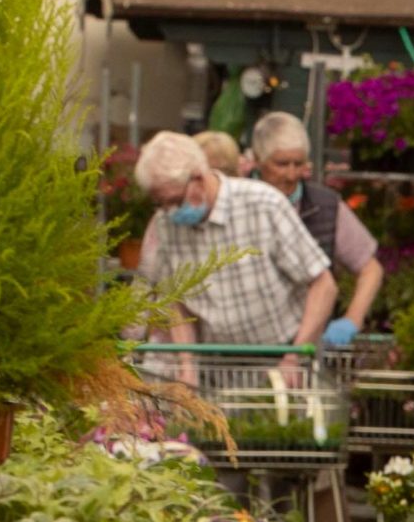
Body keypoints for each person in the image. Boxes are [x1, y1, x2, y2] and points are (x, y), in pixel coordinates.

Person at [135, 130, 336, 360]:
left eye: (174, 201)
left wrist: (294, 356)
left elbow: (323, 285)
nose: (169, 211)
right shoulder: (166, 224)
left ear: (198, 178)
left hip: (282, 353)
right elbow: (177, 302)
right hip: (218, 364)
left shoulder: (263, 204)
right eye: (160, 204)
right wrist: (187, 365)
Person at [249, 111, 383, 349]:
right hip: (247, 340)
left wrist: (352, 319)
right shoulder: (239, 201)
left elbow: (370, 269)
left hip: (308, 343)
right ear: (259, 160)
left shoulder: (324, 206)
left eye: (298, 163)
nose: (291, 174)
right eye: (281, 164)